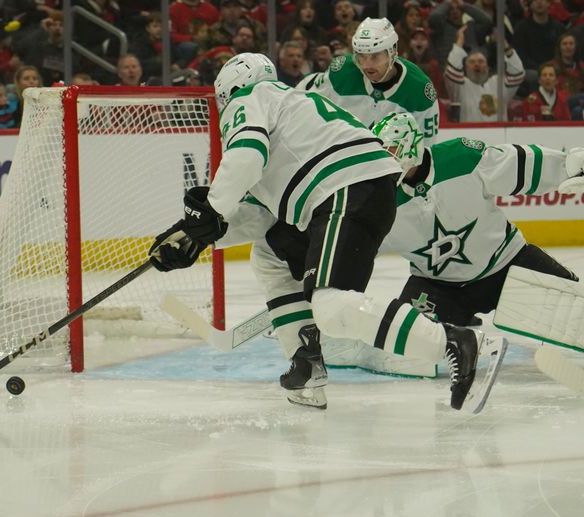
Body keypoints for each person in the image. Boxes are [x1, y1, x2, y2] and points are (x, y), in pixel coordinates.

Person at [148, 52, 506, 413]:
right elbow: (259, 217)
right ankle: (306, 361)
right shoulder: (293, 113)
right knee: (270, 252)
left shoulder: (251, 97)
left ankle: (453, 340)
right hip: (354, 189)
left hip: (346, 189)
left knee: (332, 305)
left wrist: (210, 208)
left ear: (229, 88)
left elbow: (245, 155)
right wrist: (201, 237)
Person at [323, 112, 582, 374]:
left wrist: (567, 165)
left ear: (412, 146)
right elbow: (353, 249)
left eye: (392, 151)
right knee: (407, 355)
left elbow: (519, 166)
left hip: (507, 264)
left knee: (577, 316)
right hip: (437, 288)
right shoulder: (378, 198)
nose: (386, 161)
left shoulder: (460, 158)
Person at [297, 17, 441, 145]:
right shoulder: (342, 72)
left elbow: (425, 150)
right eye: (361, 56)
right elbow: (302, 95)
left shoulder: (420, 91)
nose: (366, 65)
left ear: (392, 52)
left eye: (375, 56)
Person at [444, 25, 524, 122]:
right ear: (465, 67)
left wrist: (506, 47)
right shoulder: (459, 86)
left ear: (487, 66)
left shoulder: (499, 83)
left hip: (498, 135)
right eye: (472, 62)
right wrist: (459, 42)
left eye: (481, 61)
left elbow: (518, 74)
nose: (477, 64)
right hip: (470, 135)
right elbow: (451, 70)